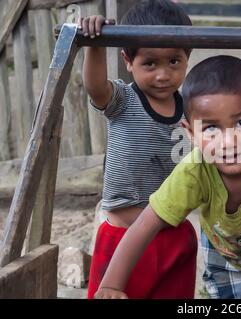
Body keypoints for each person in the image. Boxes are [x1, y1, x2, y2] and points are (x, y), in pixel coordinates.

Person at [94, 55, 241, 299]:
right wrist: (111, 284)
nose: (229, 142)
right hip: (227, 256)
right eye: (211, 128)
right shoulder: (194, 170)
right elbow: (146, 224)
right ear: (190, 132)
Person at [81, 0, 197, 299]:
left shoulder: (192, 111)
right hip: (120, 237)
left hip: (175, 235)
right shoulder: (123, 100)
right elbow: (95, 87)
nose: (162, 75)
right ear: (128, 60)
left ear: (187, 58)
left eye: (174, 61)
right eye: (150, 63)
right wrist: (95, 43)